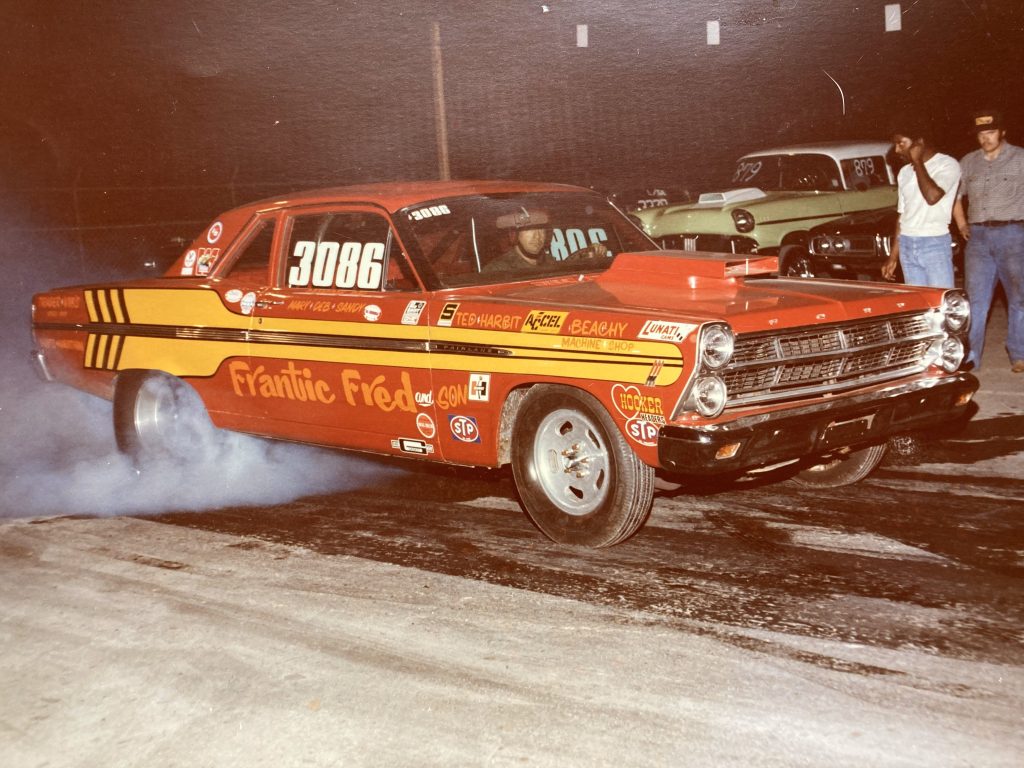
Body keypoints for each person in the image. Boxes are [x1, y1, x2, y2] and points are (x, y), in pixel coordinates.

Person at [952, 109, 1024, 373]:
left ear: (1002, 132)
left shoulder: (1020, 158)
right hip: (978, 239)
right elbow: (956, 196)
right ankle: (970, 357)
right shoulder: (968, 162)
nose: (986, 138)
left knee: (1019, 298)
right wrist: (961, 224)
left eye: (991, 132)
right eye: (982, 133)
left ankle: (1019, 353)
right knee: (975, 301)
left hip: (1013, 234)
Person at [881, 122, 961, 287]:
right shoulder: (904, 172)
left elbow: (932, 196)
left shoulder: (948, 164)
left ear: (920, 143)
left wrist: (917, 162)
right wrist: (893, 257)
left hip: (934, 243)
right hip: (907, 244)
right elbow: (902, 215)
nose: (897, 150)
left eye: (901, 143)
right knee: (918, 303)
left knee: (939, 302)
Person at [485, 224, 554, 272]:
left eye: (542, 230)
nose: (537, 236)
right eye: (530, 229)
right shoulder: (497, 269)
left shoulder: (552, 263)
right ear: (516, 235)